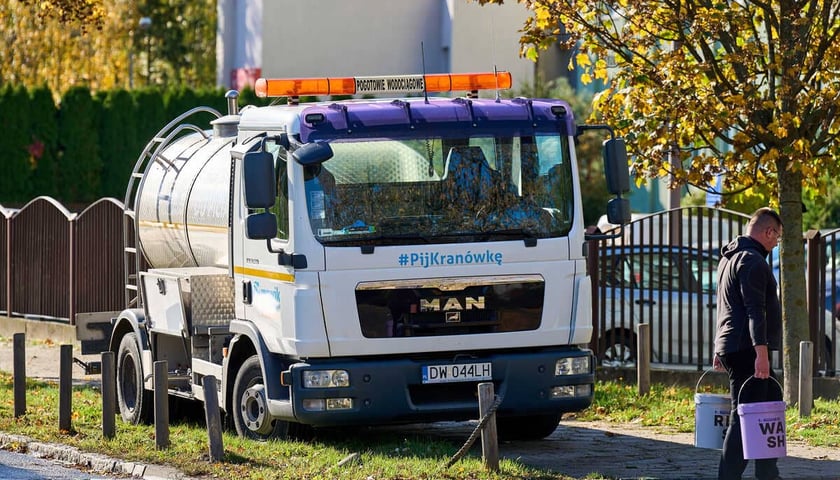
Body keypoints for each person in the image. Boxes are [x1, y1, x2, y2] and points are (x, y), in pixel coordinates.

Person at [713, 207, 784, 480]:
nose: (777, 241)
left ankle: (768, 473)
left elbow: (725, 307)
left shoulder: (729, 259)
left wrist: (719, 347)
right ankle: (728, 477)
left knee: (769, 403)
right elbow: (755, 310)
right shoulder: (753, 261)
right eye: (777, 235)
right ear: (768, 232)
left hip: (735, 346)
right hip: (747, 349)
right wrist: (761, 354)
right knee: (743, 416)